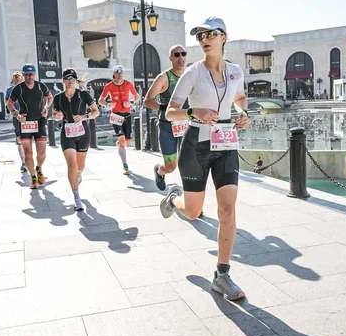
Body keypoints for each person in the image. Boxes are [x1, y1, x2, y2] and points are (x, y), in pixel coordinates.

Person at [160, 16, 250, 301]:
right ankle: (173, 199)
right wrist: (192, 112)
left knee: (227, 210)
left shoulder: (236, 72)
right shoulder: (193, 73)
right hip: (195, 144)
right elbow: (170, 112)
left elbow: (240, 98)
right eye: (199, 36)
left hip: (225, 144)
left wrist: (242, 113)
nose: (203, 39)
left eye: (209, 34)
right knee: (193, 212)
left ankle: (222, 275)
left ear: (223, 36)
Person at [52, 68, 100, 210]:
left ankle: (78, 174)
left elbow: (95, 111)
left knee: (80, 166)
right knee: (71, 165)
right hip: (67, 133)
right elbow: (54, 114)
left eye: (73, 78)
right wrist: (57, 116)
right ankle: (77, 197)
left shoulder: (83, 95)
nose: (70, 80)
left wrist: (84, 117)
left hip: (83, 132)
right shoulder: (58, 97)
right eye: (67, 78)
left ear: (75, 80)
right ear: (63, 80)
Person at [144, 45, 189, 191]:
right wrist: (166, 108)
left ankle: (191, 198)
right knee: (171, 167)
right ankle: (160, 171)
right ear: (171, 58)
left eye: (183, 54)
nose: (181, 57)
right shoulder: (164, 77)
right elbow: (147, 101)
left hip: (187, 126)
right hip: (167, 126)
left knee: (189, 164)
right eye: (177, 55)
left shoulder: (191, 76)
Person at [6, 64, 53, 189]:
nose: (29, 77)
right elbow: (9, 104)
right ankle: (33, 177)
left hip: (40, 121)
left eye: (31, 74)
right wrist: (17, 116)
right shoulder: (18, 88)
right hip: (25, 123)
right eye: (26, 74)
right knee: (28, 153)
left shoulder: (41, 86)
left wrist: (46, 107)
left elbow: (50, 97)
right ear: (23, 74)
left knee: (41, 153)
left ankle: (39, 168)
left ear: (35, 74)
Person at [98, 65, 138, 175]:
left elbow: (137, 97)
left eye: (121, 73)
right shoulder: (108, 86)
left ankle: (120, 143)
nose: (120, 75)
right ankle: (125, 165)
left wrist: (131, 103)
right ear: (114, 74)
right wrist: (107, 104)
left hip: (127, 115)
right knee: (121, 139)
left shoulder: (128, 84)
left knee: (127, 142)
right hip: (115, 115)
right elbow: (100, 100)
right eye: (117, 72)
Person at [5, 71, 27, 173]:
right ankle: (23, 162)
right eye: (15, 78)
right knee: (19, 140)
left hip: (27, 117)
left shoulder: (27, 88)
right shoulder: (10, 90)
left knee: (28, 140)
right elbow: (6, 102)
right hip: (16, 117)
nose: (17, 79)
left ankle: (29, 160)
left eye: (19, 77)